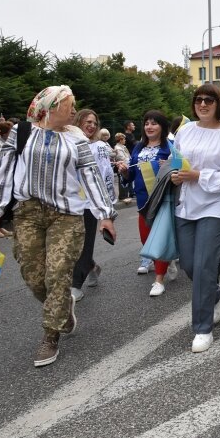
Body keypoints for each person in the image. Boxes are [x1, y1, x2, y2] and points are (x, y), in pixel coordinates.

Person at [0, 86, 116, 367]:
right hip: (28, 213)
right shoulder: (23, 133)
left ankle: (50, 334)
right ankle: (62, 309)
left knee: (57, 274)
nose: (74, 109)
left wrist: (104, 214)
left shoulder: (77, 139)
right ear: (52, 107)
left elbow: (91, 176)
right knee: (33, 276)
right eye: (69, 105)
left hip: (66, 215)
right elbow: (4, 173)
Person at [172, 85, 220, 353]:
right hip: (186, 205)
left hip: (216, 207)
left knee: (202, 267)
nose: (202, 104)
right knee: (190, 265)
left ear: (218, 104)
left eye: (208, 100)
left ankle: (202, 328)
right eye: (198, 100)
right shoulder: (185, 131)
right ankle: (214, 294)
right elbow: (176, 161)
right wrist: (176, 175)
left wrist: (199, 176)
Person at [117, 110, 175, 295]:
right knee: (146, 239)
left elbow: (181, 169)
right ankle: (167, 258)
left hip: (163, 197)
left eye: (154, 123)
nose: (149, 127)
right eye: (147, 123)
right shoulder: (138, 148)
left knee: (160, 237)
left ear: (163, 127)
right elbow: (131, 175)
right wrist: (125, 171)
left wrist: (170, 165)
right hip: (143, 199)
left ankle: (159, 280)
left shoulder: (171, 147)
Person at [70, 109, 117, 301]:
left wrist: (107, 207)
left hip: (90, 203)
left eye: (94, 123)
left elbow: (105, 175)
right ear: (78, 122)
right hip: (70, 202)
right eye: (87, 122)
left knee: (85, 243)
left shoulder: (100, 147)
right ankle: (90, 266)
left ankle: (75, 285)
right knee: (72, 244)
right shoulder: (67, 142)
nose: (91, 126)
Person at [113, 132, 132, 203]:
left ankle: (126, 195)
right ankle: (122, 196)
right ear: (120, 140)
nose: (125, 140)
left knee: (126, 181)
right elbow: (121, 158)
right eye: (124, 139)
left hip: (127, 165)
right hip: (122, 166)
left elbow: (128, 156)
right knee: (122, 181)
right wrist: (129, 161)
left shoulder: (123, 147)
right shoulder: (117, 148)